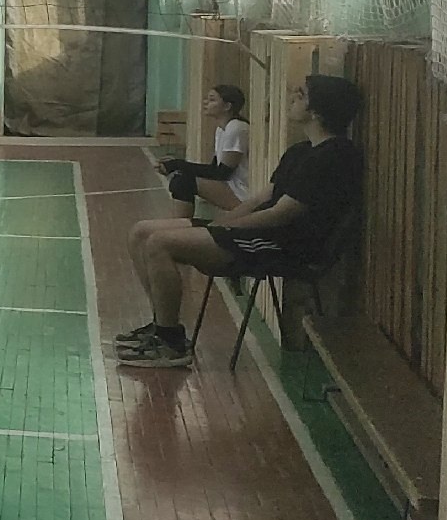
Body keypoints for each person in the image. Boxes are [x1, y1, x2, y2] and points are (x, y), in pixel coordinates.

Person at [113, 74, 364, 370]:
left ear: (317, 111)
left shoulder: (335, 156)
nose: (291, 99)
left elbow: (280, 214)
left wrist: (226, 228)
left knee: (159, 243)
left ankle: (170, 343)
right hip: (260, 232)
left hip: (283, 243)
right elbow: (260, 199)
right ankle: (160, 325)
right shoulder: (300, 151)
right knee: (140, 232)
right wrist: (222, 222)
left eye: (300, 96)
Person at [156, 84, 251, 217]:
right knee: (180, 178)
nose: (206, 102)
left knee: (183, 182)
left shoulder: (236, 128)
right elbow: (214, 167)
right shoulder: (221, 129)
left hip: (241, 192)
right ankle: (180, 223)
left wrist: (178, 164)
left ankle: (182, 225)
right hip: (230, 186)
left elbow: (222, 173)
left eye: (212, 99)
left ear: (227, 106)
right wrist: (176, 164)